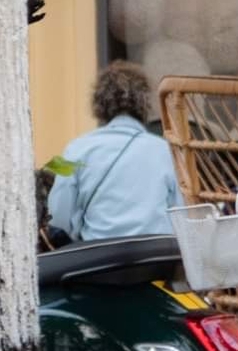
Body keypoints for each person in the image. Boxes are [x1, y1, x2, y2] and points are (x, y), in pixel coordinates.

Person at [47, 62, 184, 243]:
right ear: (145, 104)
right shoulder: (165, 150)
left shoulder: (76, 148)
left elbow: (58, 217)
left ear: (98, 104)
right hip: (156, 257)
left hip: (100, 261)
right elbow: (182, 216)